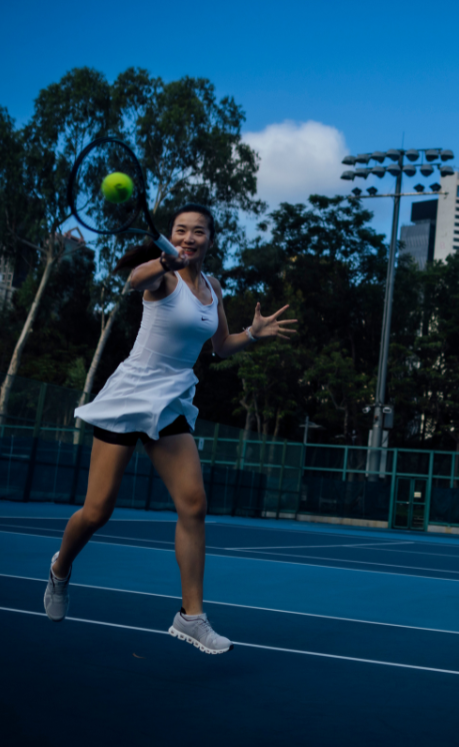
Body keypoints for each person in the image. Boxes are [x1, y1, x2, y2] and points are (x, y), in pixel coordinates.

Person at [43, 203, 296, 655]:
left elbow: (220, 346)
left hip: (172, 403)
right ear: (171, 236)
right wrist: (163, 262)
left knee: (194, 504)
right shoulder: (163, 276)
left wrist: (254, 334)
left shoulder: (213, 288)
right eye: (181, 230)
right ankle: (61, 568)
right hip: (130, 396)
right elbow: (133, 280)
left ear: (211, 240)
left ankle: (191, 617)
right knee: (98, 511)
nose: (188, 237)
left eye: (198, 231)